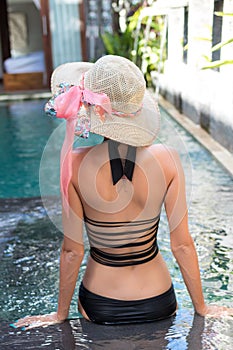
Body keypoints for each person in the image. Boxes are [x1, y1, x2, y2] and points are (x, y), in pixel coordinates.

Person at [13, 55, 233, 329]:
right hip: (159, 300)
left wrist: (59, 315)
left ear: (93, 111)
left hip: (101, 302)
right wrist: (202, 308)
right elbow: (182, 244)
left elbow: (72, 251)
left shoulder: (74, 162)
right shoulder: (169, 158)